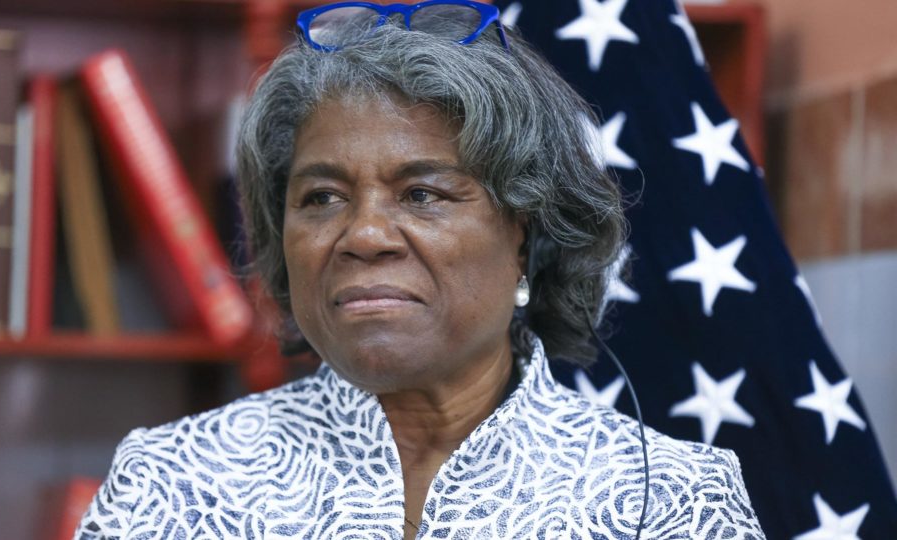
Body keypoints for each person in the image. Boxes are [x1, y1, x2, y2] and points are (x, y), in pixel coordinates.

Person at [76, 1, 765, 538]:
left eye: (423, 194)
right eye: (322, 198)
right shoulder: (173, 482)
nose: (364, 235)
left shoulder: (671, 500)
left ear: (526, 234)